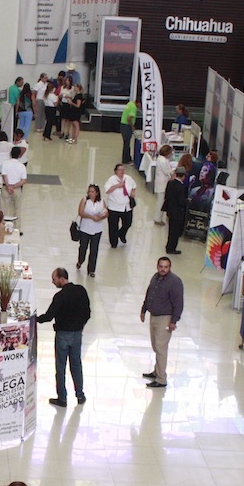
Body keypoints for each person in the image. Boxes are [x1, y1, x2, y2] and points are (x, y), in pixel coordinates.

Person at [36, 268, 91, 407]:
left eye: (54, 279)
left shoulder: (60, 297)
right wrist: (81, 325)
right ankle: (80, 394)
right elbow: (88, 313)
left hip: (62, 335)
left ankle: (62, 398)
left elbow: (49, 316)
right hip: (77, 334)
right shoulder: (81, 291)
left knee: (60, 366)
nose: (53, 282)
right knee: (76, 365)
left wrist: (34, 320)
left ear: (61, 278)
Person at [140, 257, 183, 389]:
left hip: (165, 318)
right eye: (161, 266)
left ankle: (161, 379)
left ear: (169, 267)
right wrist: (144, 309)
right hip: (154, 316)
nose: (163, 269)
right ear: (157, 266)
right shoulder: (156, 277)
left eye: (166, 267)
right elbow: (149, 294)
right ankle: (157, 371)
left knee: (161, 347)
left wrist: (173, 321)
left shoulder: (174, 282)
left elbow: (178, 302)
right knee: (155, 345)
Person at [76, 185, 107, 277]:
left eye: (92, 192)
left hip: (97, 230)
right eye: (89, 191)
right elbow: (81, 212)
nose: (90, 193)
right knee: (83, 247)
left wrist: (100, 217)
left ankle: (91, 270)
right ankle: (80, 260)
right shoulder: (85, 200)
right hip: (85, 229)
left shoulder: (101, 202)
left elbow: (106, 213)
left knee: (94, 250)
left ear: (97, 193)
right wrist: (92, 217)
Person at [103, 163, 136, 248]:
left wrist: (133, 192)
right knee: (113, 226)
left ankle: (121, 234)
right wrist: (117, 185)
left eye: (123, 169)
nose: (122, 171)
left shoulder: (128, 178)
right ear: (116, 171)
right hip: (114, 207)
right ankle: (113, 242)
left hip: (126, 206)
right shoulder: (112, 180)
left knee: (128, 223)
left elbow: (134, 186)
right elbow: (107, 190)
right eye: (120, 170)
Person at [163, 166, 188, 255]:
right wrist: (187, 201)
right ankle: (171, 248)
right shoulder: (181, 187)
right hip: (178, 212)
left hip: (170, 210)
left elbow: (166, 196)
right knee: (175, 232)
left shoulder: (170, 183)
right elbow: (181, 201)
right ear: (183, 176)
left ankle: (168, 246)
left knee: (171, 230)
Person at [0, 147, 27, 231]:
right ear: (19, 155)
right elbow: (24, 180)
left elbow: (4, 176)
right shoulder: (22, 166)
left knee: (3, 208)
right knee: (17, 208)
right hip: (17, 189)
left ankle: (2, 226)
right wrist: (14, 187)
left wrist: (8, 186)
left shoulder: (5, 164)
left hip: (6, 188)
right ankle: (17, 228)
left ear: (10, 154)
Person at [152, 144, 175, 225]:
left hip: (162, 183)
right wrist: (173, 172)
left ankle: (159, 217)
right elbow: (167, 172)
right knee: (160, 202)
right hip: (162, 184)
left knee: (161, 201)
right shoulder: (162, 161)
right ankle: (157, 219)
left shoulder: (162, 159)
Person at [119, 94, 138, 165]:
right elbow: (129, 118)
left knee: (126, 142)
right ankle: (125, 159)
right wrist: (132, 126)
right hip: (127, 126)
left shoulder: (130, 103)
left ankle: (128, 157)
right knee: (127, 143)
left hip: (122, 125)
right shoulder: (134, 107)